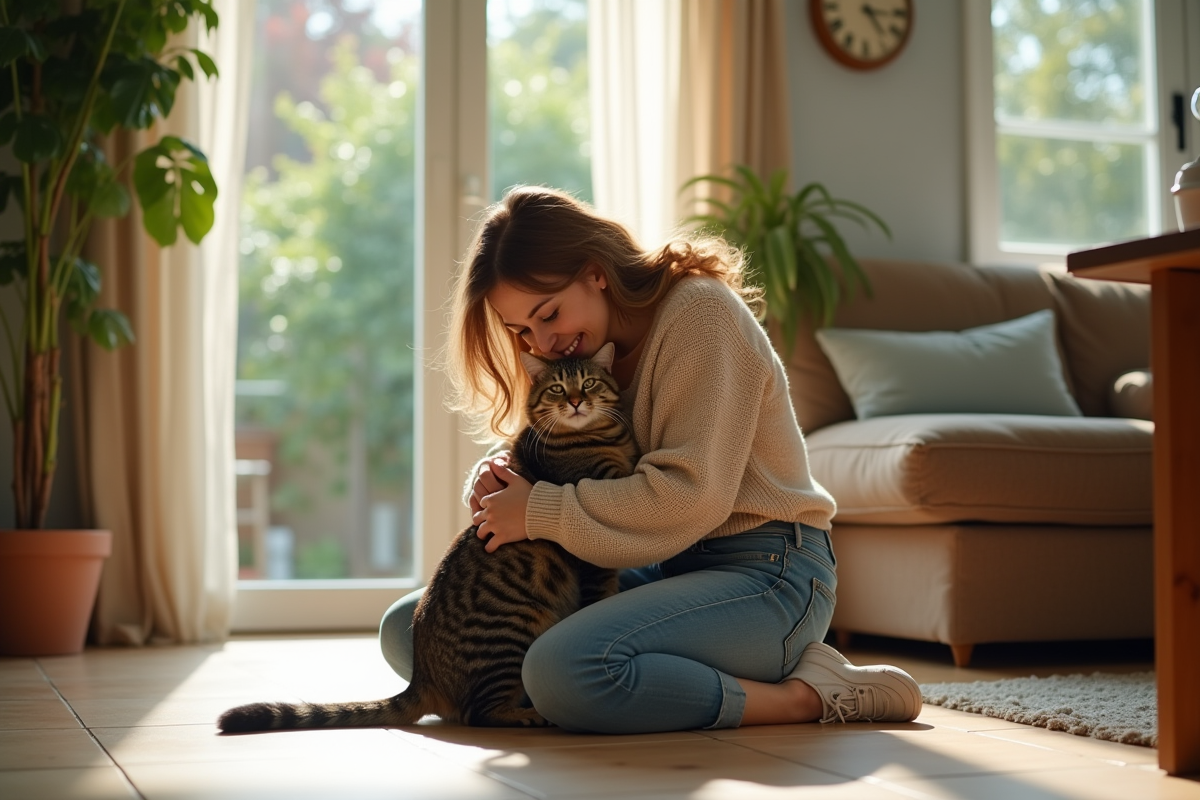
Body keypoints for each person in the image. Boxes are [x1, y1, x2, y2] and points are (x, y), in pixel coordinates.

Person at [379, 186, 921, 734]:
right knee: (409, 630)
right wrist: (501, 476)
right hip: (667, 560)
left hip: (771, 574)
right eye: (522, 330)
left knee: (563, 671)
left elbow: (692, 497)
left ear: (595, 273)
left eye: (548, 314)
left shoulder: (701, 316)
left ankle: (807, 695)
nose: (542, 341)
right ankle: (635, 677)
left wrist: (539, 510)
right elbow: (571, 456)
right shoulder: (583, 351)